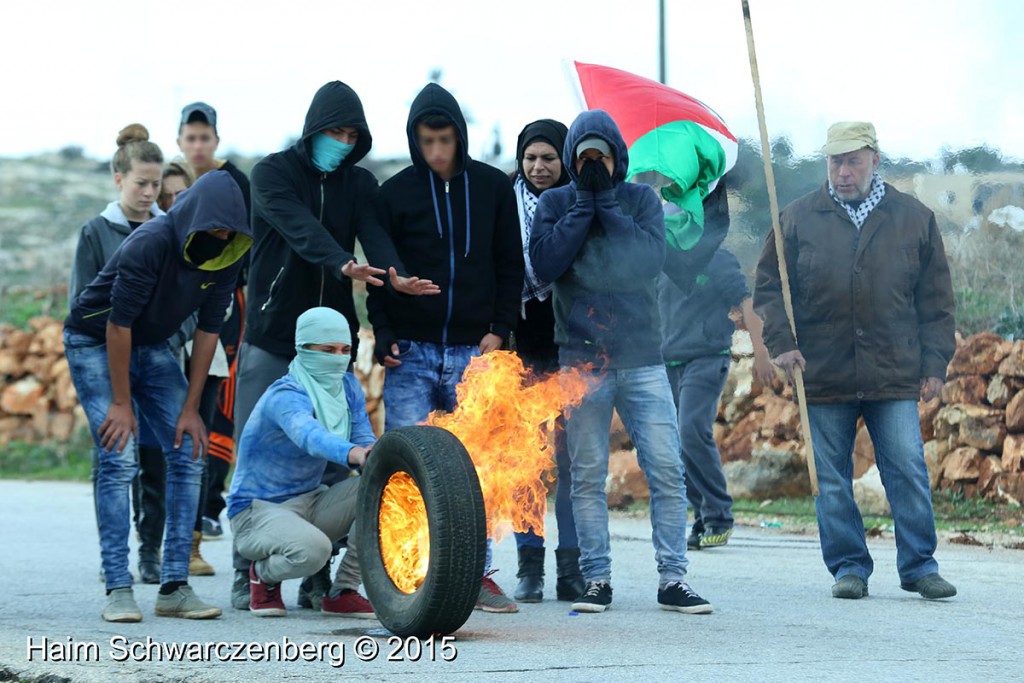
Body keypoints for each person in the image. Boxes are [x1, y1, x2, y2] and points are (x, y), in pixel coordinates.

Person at [233, 80, 437, 611]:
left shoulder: (360, 183)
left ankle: (320, 579)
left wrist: (396, 276)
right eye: (334, 132)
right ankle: (249, 572)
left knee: (333, 458)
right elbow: (297, 227)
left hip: (331, 344)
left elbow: (375, 235)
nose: (342, 141)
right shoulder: (273, 173)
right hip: (276, 335)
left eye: (352, 134)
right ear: (313, 131)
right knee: (261, 449)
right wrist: (339, 262)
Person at [753, 121, 957, 601]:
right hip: (821, 371)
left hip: (894, 368)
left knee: (907, 467)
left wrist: (935, 363)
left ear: (874, 160)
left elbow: (936, 300)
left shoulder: (914, 217)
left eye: (852, 161)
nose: (843, 172)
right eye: (835, 161)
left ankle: (919, 565)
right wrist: (781, 342)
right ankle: (848, 566)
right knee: (830, 478)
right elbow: (768, 287)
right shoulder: (797, 219)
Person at [530, 109, 713, 615]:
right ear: (572, 159)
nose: (593, 164)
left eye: (601, 156)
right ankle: (596, 580)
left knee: (667, 469)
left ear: (617, 157)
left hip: (642, 358)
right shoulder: (554, 203)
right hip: (581, 362)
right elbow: (546, 265)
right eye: (584, 157)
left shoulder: (641, 200)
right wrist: (582, 206)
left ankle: (673, 579)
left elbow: (646, 262)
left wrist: (606, 203)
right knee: (587, 475)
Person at [64, 170, 251, 622]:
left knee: (189, 449)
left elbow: (209, 330)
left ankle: (174, 586)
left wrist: (191, 409)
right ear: (193, 218)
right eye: (214, 228)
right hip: (95, 339)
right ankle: (118, 588)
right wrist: (122, 404)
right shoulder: (150, 242)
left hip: (152, 345)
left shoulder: (226, 256)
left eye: (229, 231)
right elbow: (117, 325)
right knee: (118, 453)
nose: (221, 237)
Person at [367, 82, 524, 613]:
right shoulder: (394, 194)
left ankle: (476, 576)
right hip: (410, 355)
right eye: (427, 141)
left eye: (445, 139)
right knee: (407, 469)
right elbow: (378, 277)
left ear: (460, 136)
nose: (436, 151)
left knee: (474, 467)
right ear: (415, 139)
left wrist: (499, 331)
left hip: (472, 355)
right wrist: (385, 334)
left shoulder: (492, 188)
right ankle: (406, 575)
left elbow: (509, 264)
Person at [228, 307, 376, 618]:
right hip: (258, 511)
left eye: (344, 350)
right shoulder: (286, 393)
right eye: (327, 350)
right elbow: (309, 435)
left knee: (383, 491)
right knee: (316, 552)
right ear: (304, 349)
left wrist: (379, 455)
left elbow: (364, 436)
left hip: (310, 500)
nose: (337, 358)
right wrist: (354, 454)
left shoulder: (348, 387)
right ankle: (262, 574)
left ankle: (344, 591)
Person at [69, 123, 167, 586]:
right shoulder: (96, 231)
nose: (149, 192)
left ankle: (152, 550)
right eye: (140, 184)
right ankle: (117, 567)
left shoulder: (168, 230)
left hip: (156, 353)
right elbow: (82, 303)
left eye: (156, 183)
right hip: (105, 354)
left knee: (159, 456)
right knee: (116, 454)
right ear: (118, 180)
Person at [659, 237, 775, 551]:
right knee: (674, 441)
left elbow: (746, 304)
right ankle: (701, 516)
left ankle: (719, 515)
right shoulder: (660, 256)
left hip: (706, 357)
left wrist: (761, 353)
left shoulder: (717, 258)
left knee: (692, 430)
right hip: (666, 362)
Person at [508, 119, 583, 603]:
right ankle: (529, 566)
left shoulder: (580, 204)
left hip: (572, 348)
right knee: (525, 466)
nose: (538, 167)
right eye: (531, 158)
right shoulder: (504, 202)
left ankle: (571, 569)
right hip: (519, 350)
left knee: (572, 464)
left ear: (564, 162)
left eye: (549, 158)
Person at [176, 101, 251, 555]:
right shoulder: (176, 181)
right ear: (181, 141)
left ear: (216, 141)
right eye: (191, 137)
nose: (199, 145)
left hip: (229, 296)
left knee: (221, 396)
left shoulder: (235, 179)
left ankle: (210, 500)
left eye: (205, 138)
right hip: (183, 295)